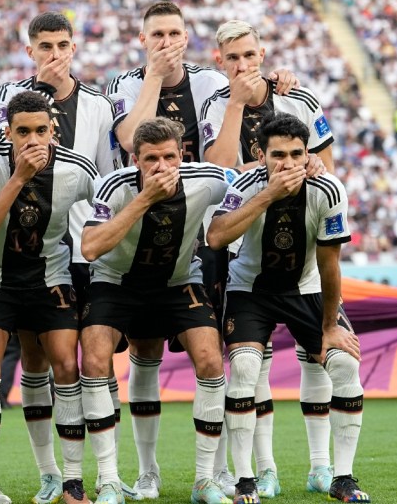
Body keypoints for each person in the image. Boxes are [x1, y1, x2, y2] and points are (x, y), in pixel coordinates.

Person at [106, 4, 296, 495]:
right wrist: (154, 76)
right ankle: (148, 471)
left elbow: (231, 148)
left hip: (211, 231)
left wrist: (274, 83)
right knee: (144, 350)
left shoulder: (212, 82)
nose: (166, 41)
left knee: (230, 354)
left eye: (174, 33)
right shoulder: (124, 85)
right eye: (157, 34)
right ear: (142, 39)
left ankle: (240, 466)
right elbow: (129, 140)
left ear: (188, 37)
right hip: (147, 233)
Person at [0, 13, 127, 502]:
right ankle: (53, 473)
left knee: (96, 360)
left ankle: (107, 474)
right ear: (30, 51)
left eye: (62, 44)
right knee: (34, 359)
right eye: (44, 45)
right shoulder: (8, 101)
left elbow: (109, 180)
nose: (54, 53)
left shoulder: (98, 105)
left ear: (75, 48)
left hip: (84, 251)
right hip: (33, 250)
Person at [199, 20, 336, 497]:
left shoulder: (301, 97)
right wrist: (237, 102)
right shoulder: (215, 105)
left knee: (316, 358)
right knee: (247, 364)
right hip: (238, 246)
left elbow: (327, 170)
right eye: (232, 58)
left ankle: (321, 467)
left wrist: (310, 165)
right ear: (220, 61)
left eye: (249, 56)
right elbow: (216, 173)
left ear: (262, 53)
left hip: (297, 243)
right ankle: (262, 467)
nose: (243, 66)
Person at [207, 113, 370, 504]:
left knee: (345, 364)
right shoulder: (245, 185)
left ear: (307, 153)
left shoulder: (327, 190)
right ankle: (246, 479)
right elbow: (216, 236)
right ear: (259, 154)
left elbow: (330, 264)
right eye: (278, 154)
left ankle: (341, 477)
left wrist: (330, 327)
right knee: (245, 368)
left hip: (308, 288)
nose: (288, 163)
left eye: (297, 154)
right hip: (251, 290)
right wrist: (269, 195)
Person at [80, 117, 233, 504]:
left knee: (211, 361)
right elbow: (91, 248)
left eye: (169, 157)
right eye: (151, 159)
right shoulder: (113, 186)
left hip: (178, 281)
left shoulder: (207, 179)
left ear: (181, 154)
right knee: (95, 360)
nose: (162, 167)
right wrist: (144, 199)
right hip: (117, 282)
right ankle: (114, 479)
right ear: (135, 159)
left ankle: (205, 481)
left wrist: (311, 165)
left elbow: (249, 180)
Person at [0, 91, 96, 504]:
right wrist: (19, 177)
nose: (32, 139)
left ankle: (71, 482)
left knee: (64, 366)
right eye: (23, 131)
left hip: (50, 277)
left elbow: (113, 199)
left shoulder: (76, 169)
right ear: (8, 132)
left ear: (53, 131)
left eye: (41, 130)